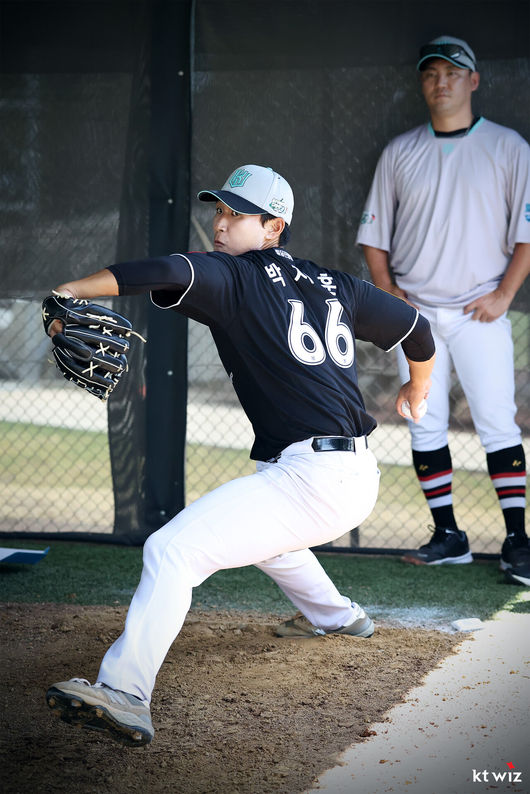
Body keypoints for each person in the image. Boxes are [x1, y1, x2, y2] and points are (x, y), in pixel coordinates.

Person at [45, 164, 435, 746]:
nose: (220, 223)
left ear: (274, 227)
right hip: (347, 474)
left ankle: (125, 693)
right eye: (219, 210)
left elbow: (158, 270)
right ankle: (338, 616)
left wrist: (68, 292)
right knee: (267, 532)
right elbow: (416, 329)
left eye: (235, 213)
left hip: (315, 477)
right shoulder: (335, 283)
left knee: (171, 550)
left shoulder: (236, 276)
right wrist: (417, 389)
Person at [357, 35, 530, 583]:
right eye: (432, 73)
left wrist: (504, 294)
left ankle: (518, 541)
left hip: (482, 311)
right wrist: (388, 291)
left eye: (453, 73)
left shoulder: (509, 147)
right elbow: (374, 236)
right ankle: (447, 535)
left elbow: (527, 232)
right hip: (419, 316)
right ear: (423, 83)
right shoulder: (400, 151)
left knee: (497, 422)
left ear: (473, 81)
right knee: (422, 421)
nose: (442, 82)